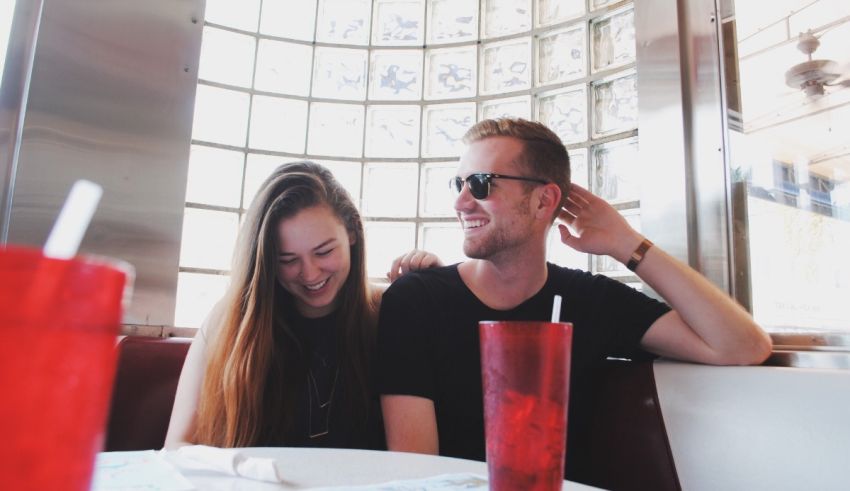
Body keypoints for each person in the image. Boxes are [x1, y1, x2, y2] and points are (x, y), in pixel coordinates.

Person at [377, 118, 772, 470]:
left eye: (480, 184)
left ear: (544, 200)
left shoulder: (589, 300)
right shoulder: (417, 300)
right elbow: (416, 472)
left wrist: (626, 243)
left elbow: (741, 346)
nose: (461, 202)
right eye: (459, 184)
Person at [164, 161, 440, 450]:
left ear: (352, 234)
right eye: (287, 260)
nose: (309, 274)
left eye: (324, 252)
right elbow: (178, 446)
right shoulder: (230, 319)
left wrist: (435, 293)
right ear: (266, 261)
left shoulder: (393, 312)